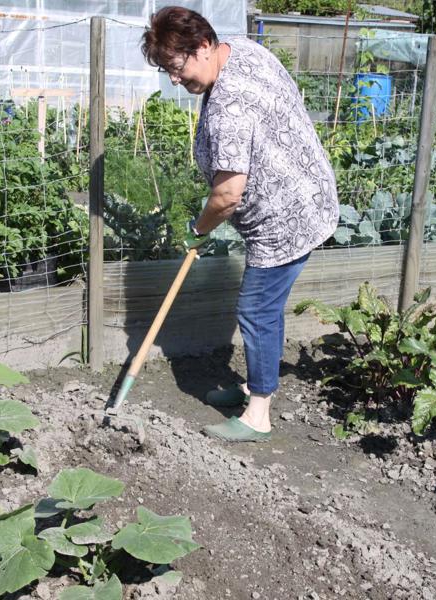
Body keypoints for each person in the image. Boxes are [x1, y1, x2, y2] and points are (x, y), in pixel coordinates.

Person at [141, 6, 338, 442]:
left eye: (176, 67)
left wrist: (199, 229)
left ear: (205, 46)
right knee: (265, 308)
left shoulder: (229, 105)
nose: (174, 78)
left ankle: (259, 413)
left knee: (256, 309)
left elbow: (227, 196)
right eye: (166, 70)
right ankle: (255, 382)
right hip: (307, 188)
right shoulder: (242, 49)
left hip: (286, 217)